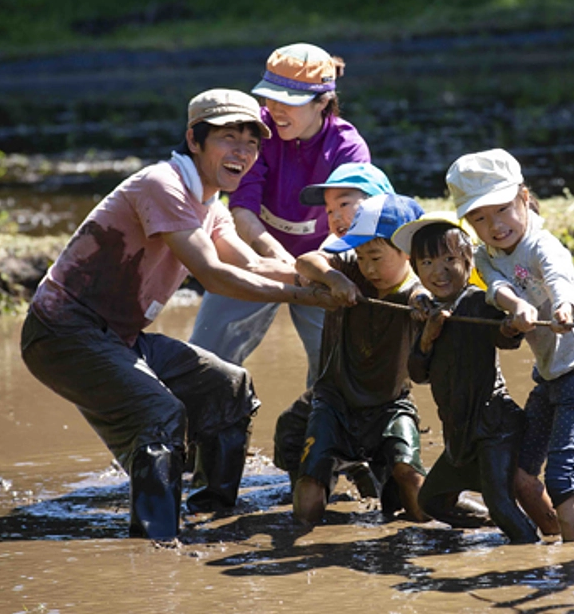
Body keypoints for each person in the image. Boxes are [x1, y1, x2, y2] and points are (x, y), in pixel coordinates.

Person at [19, 89, 344, 540]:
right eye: (229, 139)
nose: (243, 153)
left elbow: (249, 263)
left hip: (120, 337)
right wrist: (304, 296)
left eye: (252, 143)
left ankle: (212, 512)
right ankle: (157, 540)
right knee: (161, 413)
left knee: (229, 385)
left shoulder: (210, 202)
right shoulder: (163, 185)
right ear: (195, 139)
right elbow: (214, 275)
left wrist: (329, 278)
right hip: (62, 333)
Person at [446, 148, 574, 541]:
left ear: (524, 196)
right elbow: (496, 287)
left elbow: (560, 279)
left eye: (502, 209)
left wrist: (562, 308)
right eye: (479, 218)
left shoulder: (541, 244)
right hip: (550, 377)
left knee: (562, 479)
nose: (494, 225)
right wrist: (516, 306)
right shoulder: (485, 256)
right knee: (521, 478)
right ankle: (556, 542)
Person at [190, 42, 370, 390]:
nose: (275, 109)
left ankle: (319, 440)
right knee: (205, 360)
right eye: (270, 98)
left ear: (322, 102)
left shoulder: (348, 148)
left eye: (290, 101)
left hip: (324, 266)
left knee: (333, 370)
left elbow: (349, 227)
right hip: (251, 254)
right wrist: (284, 263)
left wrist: (313, 268)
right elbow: (241, 209)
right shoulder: (255, 130)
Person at [394, 214, 540, 544]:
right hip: (459, 430)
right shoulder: (425, 311)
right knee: (430, 501)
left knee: (502, 503)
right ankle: (493, 530)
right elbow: (418, 374)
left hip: (493, 424)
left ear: (467, 261)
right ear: (416, 270)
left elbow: (505, 338)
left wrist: (510, 325)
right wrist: (428, 336)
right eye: (428, 262)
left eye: (449, 259)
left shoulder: (477, 301)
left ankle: (536, 560)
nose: (438, 271)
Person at [292, 193, 429, 525]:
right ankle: (300, 541)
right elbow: (305, 261)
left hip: (390, 403)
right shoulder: (350, 271)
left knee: (408, 473)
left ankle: (428, 531)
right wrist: (333, 278)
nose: (368, 268)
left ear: (407, 253)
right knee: (311, 481)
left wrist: (429, 313)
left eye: (377, 258)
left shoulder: (418, 295)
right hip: (333, 400)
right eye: (362, 257)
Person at [271, 162, 394, 488]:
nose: (335, 216)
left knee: (396, 475)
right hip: (340, 381)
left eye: (344, 204)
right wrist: (333, 278)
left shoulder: (402, 254)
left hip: (382, 388)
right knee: (291, 430)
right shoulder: (338, 249)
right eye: (328, 209)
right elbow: (307, 261)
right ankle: (323, 483)